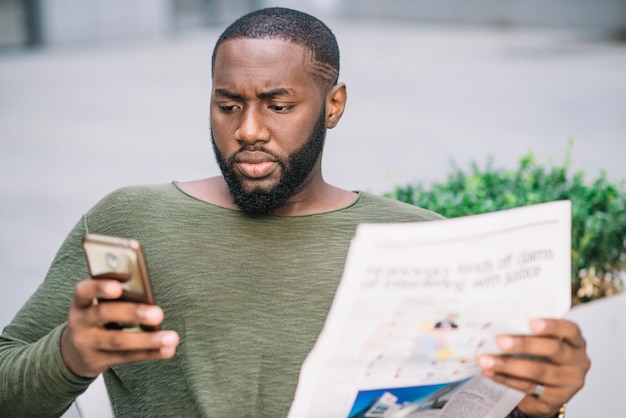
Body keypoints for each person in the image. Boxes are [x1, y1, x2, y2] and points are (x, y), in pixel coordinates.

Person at [0, 7, 589, 417]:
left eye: (277, 105)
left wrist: (541, 405)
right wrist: (70, 357)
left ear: (333, 107)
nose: (248, 131)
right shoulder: (134, 218)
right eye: (227, 105)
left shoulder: (421, 242)